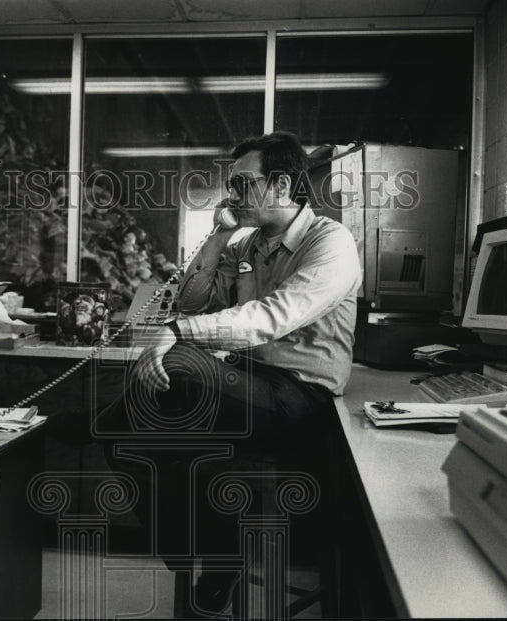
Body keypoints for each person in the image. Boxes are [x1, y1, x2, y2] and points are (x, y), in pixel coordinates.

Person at [93, 131, 362, 616]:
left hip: (299, 397)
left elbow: (269, 317)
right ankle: (206, 555)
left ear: (281, 184)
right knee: (135, 441)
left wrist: (175, 333)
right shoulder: (248, 244)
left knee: (174, 371)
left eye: (241, 183)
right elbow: (195, 301)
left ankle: (214, 559)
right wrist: (218, 234)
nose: (232, 194)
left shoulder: (331, 243)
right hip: (246, 383)